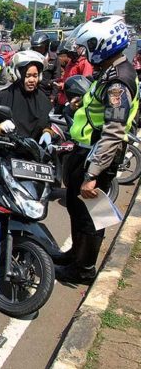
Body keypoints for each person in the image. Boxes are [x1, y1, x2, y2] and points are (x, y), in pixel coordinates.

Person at [55, 16, 139, 283]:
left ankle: (83, 269)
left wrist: (92, 174)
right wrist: (82, 101)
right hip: (86, 150)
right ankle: (75, 255)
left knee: (91, 215)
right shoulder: (110, 72)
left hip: (97, 156)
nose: (87, 49)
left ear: (105, 44)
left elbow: (113, 131)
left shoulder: (118, 83)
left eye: (91, 44)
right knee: (76, 207)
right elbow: (100, 105)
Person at [0, 50, 53, 144]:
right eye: (28, 76)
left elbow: (47, 123)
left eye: (35, 76)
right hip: (8, 149)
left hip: (33, 150)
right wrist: (0, 127)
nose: (32, 80)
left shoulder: (42, 99)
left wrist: (47, 132)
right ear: (18, 75)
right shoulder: (5, 95)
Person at [53, 32, 94, 114]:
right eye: (68, 53)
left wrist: (63, 85)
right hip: (63, 98)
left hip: (74, 101)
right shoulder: (70, 63)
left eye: (70, 53)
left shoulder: (84, 63)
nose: (69, 55)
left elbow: (84, 85)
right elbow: (66, 78)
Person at [30, 32, 61, 102]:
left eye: (40, 47)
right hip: (31, 94)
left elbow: (57, 78)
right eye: (35, 48)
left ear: (46, 46)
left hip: (46, 95)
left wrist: (53, 95)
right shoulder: (29, 58)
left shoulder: (54, 58)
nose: (38, 50)